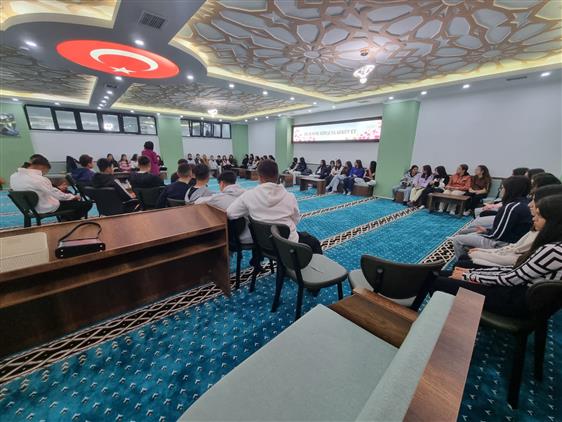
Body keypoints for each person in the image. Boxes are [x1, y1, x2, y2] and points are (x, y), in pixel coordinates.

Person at [417, 194, 562, 317]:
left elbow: (511, 278)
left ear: (555, 221)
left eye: (539, 216)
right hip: (517, 290)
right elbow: (514, 271)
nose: (533, 219)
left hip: (517, 300)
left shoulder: (553, 251)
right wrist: (471, 273)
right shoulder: (553, 244)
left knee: (437, 280)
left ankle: (441, 319)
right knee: (441, 274)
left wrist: (468, 276)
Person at [227, 159, 322, 254]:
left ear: (259, 176)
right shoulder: (290, 197)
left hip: (263, 244)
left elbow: (230, 213)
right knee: (314, 242)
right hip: (288, 245)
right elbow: (296, 220)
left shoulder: (248, 196)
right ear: (277, 176)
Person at [461, 185, 562, 268]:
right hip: (506, 248)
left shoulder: (550, 246)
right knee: (469, 231)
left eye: (534, 200)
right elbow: (515, 248)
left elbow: (514, 263)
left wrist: (480, 253)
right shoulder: (538, 228)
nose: (529, 205)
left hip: (502, 245)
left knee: (461, 241)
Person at [451, 176, 532, 259]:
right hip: (509, 240)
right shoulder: (522, 203)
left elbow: (497, 236)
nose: (500, 190)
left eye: (502, 188)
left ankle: (462, 262)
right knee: (467, 232)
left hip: (502, 244)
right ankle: (469, 256)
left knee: (458, 239)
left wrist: (485, 233)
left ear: (510, 190)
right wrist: (486, 231)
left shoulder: (511, 207)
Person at [10, 155, 91, 220]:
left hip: (30, 207)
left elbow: (36, 189)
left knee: (67, 195)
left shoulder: (13, 176)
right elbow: (57, 195)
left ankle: (67, 218)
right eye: (45, 172)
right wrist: (72, 197)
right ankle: (68, 220)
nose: (44, 174)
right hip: (45, 207)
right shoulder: (39, 179)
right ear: (42, 167)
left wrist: (58, 189)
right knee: (86, 204)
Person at [195, 171, 252, 243]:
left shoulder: (218, 198)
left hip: (237, 237)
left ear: (221, 183)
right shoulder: (248, 193)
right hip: (253, 234)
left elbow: (197, 201)